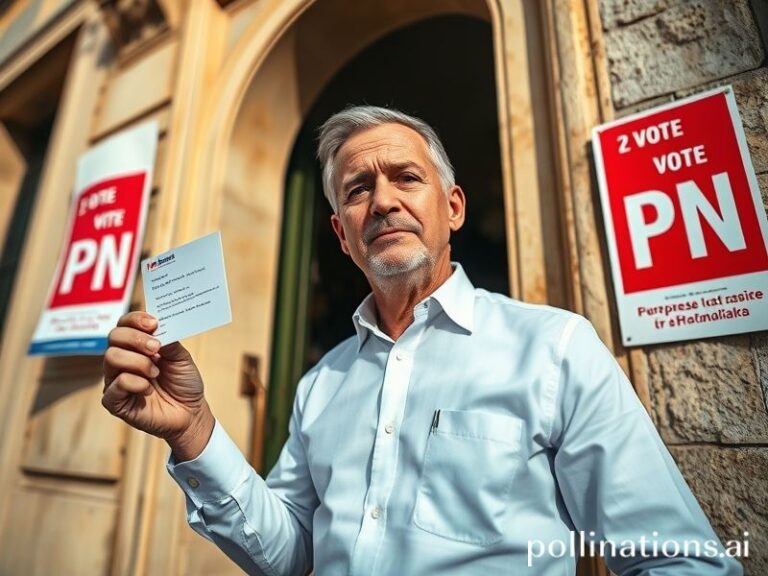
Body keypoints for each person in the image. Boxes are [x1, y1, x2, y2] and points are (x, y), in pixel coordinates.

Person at [102, 106, 742, 575]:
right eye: (358, 190)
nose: (382, 201)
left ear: (453, 207)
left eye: (406, 178)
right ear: (342, 235)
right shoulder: (320, 385)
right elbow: (291, 554)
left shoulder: (555, 348)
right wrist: (192, 430)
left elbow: (676, 560)